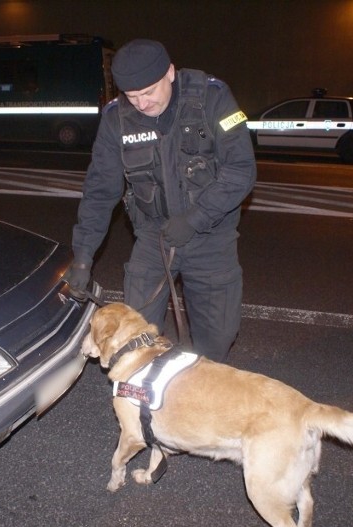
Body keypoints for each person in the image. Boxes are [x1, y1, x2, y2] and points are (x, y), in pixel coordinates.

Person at [67, 39, 256, 362]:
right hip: (152, 237)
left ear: (170, 72)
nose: (141, 103)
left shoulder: (213, 98)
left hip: (210, 238)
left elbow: (241, 171)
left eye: (149, 92)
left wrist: (195, 218)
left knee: (216, 342)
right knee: (134, 339)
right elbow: (100, 189)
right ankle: (149, 404)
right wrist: (83, 257)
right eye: (132, 95)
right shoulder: (117, 119)